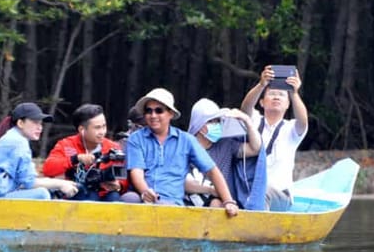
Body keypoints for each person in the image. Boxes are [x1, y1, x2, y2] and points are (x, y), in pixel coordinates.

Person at [123, 88, 239, 216]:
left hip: (171, 204)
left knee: (163, 207)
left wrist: (228, 201)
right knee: (128, 199)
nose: (153, 115)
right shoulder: (136, 138)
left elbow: (212, 170)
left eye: (159, 110)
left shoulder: (186, 140)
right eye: (148, 111)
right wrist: (145, 191)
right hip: (142, 198)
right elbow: (136, 172)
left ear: (171, 114)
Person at [0, 102, 79, 199]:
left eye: (40, 123)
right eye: (35, 122)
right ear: (20, 123)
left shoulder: (13, 137)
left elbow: (22, 181)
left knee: (48, 190)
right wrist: (61, 184)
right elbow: (29, 182)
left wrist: (57, 185)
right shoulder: (18, 142)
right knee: (42, 194)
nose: (40, 127)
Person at [240, 65, 309, 211]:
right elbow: (245, 109)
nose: (277, 97)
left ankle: (255, 231)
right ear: (262, 102)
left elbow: (303, 121)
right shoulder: (255, 121)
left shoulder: (291, 129)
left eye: (282, 95)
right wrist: (261, 85)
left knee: (262, 192)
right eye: (272, 94)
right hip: (249, 191)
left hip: (280, 196)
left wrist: (294, 93)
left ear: (288, 105)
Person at [186, 98, 262, 208]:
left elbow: (255, 148)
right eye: (212, 121)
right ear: (200, 125)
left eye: (218, 121)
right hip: (185, 202)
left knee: (216, 203)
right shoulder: (185, 146)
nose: (217, 124)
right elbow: (180, 181)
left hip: (217, 204)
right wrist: (211, 190)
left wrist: (247, 121)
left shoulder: (226, 145)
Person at [43, 103, 127, 202]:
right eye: (97, 127)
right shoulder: (66, 145)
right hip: (76, 194)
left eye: (104, 126)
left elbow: (123, 176)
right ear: (82, 130)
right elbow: (48, 168)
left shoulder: (112, 147)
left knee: (114, 197)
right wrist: (75, 159)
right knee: (88, 197)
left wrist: (118, 185)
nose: (102, 132)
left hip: (106, 194)